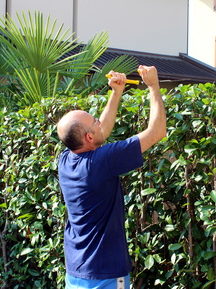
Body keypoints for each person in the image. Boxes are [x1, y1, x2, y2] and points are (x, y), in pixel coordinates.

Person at [57, 65, 166, 289]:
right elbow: (157, 132)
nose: (99, 121)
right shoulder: (101, 161)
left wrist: (117, 92)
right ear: (88, 136)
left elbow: (100, 133)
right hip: (104, 275)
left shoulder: (66, 159)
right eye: (95, 121)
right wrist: (154, 86)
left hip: (76, 271)